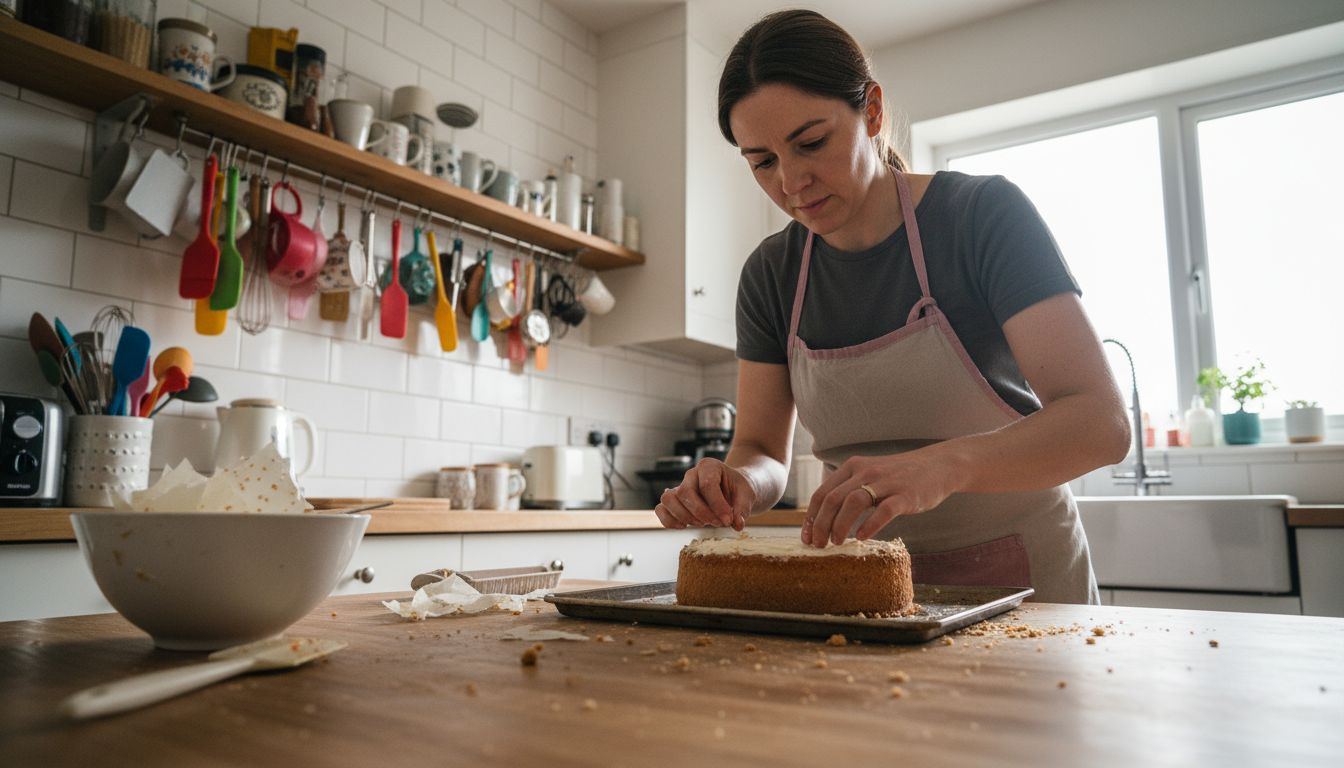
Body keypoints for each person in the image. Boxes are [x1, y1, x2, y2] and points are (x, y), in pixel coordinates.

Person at [653, 9, 1131, 604]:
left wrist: (943, 466)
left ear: (872, 111)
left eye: (812, 143)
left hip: (1022, 577)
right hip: (858, 584)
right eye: (764, 162)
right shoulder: (771, 274)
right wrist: (736, 482)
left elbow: (1100, 425)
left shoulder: (982, 218)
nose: (792, 182)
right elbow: (763, 452)